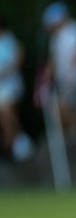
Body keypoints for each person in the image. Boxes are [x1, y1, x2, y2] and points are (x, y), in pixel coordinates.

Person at [40, 2, 76, 137]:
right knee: (72, 107)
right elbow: (54, 59)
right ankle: (75, 135)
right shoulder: (56, 37)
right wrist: (48, 75)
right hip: (63, 79)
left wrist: (71, 73)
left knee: (67, 107)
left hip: (74, 78)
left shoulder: (75, 30)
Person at [0, 16, 33, 162]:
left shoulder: (10, 40)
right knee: (5, 119)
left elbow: (19, 58)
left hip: (10, 87)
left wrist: (5, 72)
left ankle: (16, 148)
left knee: (7, 116)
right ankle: (12, 148)